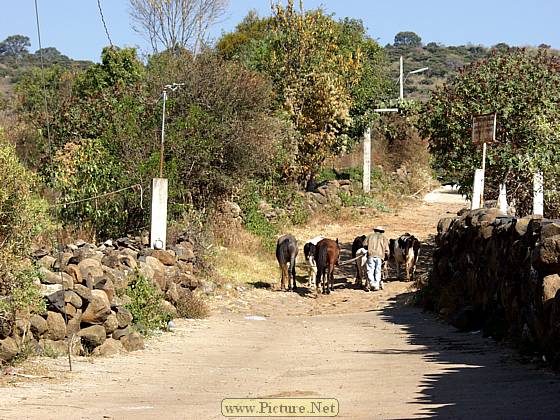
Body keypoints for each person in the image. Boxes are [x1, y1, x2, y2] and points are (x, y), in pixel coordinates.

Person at [365, 226, 389, 291]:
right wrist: (386, 256)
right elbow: (387, 249)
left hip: (371, 255)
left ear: (375, 230)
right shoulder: (384, 238)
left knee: (370, 270)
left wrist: (369, 248)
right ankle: (377, 285)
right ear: (381, 231)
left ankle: (372, 283)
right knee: (378, 270)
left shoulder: (370, 236)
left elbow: (364, 244)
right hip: (380, 256)